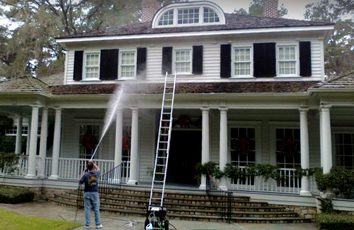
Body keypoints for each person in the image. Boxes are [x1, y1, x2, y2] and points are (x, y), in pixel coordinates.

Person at [79, 160, 103, 229]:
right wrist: (93, 163)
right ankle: (98, 224)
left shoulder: (85, 175)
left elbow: (80, 182)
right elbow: (98, 168)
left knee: (87, 209)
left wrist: (83, 173)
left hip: (87, 193)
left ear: (87, 167)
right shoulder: (96, 173)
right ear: (93, 167)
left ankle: (87, 225)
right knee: (96, 209)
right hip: (94, 193)